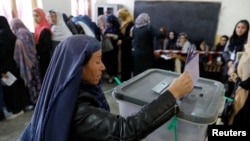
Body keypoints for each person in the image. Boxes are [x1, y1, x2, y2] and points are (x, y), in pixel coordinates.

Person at [17, 35, 193, 141]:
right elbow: (125, 131)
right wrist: (172, 93)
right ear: (78, 68)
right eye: (98, 61)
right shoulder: (78, 110)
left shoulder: (55, 93)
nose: (103, 67)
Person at [0, 16, 30, 119]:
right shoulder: (11, 34)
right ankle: (23, 106)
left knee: (11, 89)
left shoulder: (2, 35)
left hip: (6, 66)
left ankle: (17, 110)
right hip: (14, 64)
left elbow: (2, 54)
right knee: (17, 86)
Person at [10, 18, 42, 106]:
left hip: (27, 62)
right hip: (34, 59)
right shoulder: (27, 30)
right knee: (37, 80)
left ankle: (35, 100)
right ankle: (41, 98)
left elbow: (20, 47)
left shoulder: (20, 34)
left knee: (31, 82)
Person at [222, 19, 249, 97]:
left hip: (238, 70)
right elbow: (225, 52)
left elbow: (244, 57)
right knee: (225, 87)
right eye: (238, 27)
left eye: (243, 28)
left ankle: (230, 106)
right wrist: (228, 61)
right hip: (228, 67)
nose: (240, 29)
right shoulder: (231, 39)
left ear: (247, 29)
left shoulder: (247, 42)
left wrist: (234, 67)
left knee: (234, 90)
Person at [33, 8, 52, 81]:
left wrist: (36, 49)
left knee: (45, 75)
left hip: (45, 57)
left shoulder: (45, 29)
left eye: (37, 16)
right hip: (40, 56)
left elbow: (47, 46)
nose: (35, 18)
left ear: (42, 16)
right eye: (33, 16)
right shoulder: (37, 27)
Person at [117, 8, 134, 82]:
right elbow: (121, 34)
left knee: (127, 63)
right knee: (123, 62)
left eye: (120, 16)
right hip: (123, 46)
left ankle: (127, 79)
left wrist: (122, 41)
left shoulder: (130, 24)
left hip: (128, 46)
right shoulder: (122, 23)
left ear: (123, 15)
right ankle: (123, 78)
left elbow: (131, 37)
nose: (119, 18)